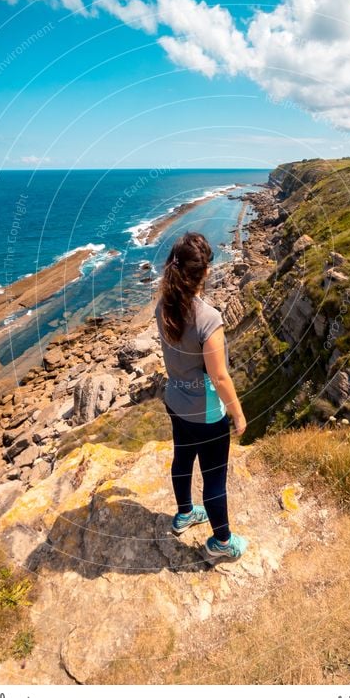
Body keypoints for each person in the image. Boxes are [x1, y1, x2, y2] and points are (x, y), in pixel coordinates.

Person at [154, 231, 248, 562]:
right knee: (214, 479)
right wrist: (237, 414)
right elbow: (220, 376)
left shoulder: (162, 305)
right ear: (205, 271)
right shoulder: (208, 319)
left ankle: (184, 514)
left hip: (176, 401)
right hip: (206, 413)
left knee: (182, 459)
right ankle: (221, 542)